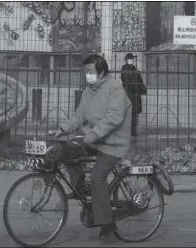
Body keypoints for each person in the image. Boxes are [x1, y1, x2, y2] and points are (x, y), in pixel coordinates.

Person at [54, 54, 132, 238]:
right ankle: (85, 193)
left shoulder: (115, 89)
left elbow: (113, 119)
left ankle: (107, 224)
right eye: (85, 72)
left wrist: (91, 135)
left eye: (90, 72)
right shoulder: (89, 90)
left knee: (98, 177)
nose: (87, 75)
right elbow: (80, 114)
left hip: (113, 143)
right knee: (67, 151)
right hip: (95, 139)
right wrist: (63, 128)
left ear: (102, 72)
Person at [121, 53, 147, 137]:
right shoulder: (124, 68)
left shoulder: (134, 69)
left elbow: (139, 80)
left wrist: (141, 88)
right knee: (129, 113)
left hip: (135, 94)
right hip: (130, 94)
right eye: (130, 58)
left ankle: (133, 131)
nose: (132, 60)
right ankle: (128, 131)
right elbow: (127, 81)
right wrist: (136, 86)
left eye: (132, 58)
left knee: (134, 114)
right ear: (126, 60)